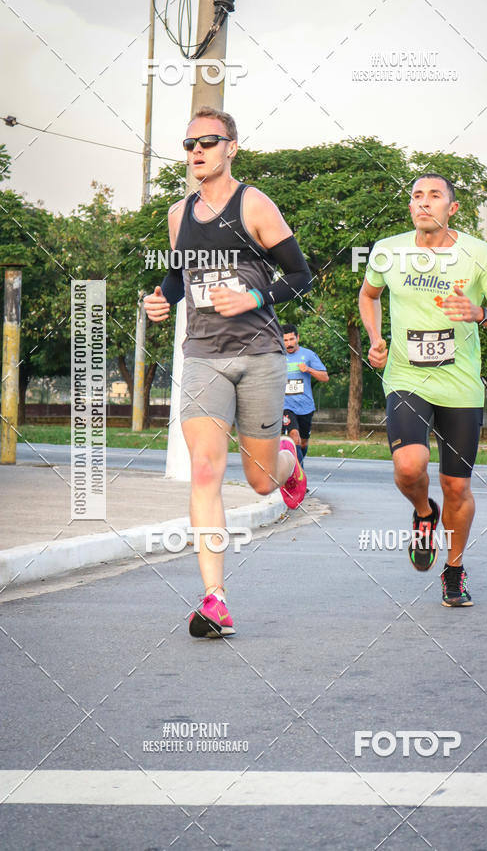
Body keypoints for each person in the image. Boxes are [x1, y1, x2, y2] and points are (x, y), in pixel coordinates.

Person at [144, 106, 311, 638]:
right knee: (206, 470)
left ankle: (288, 460)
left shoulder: (253, 204)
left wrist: (254, 298)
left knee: (261, 482)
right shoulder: (179, 213)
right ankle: (214, 599)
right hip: (203, 357)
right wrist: (161, 299)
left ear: (231, 148)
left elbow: (301, 274)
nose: (196, 151)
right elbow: (178, 279)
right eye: (189, 144)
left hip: (260, 354)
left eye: (208, 142)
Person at [358, 173, 487, 607]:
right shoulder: (388, 251)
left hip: (460, 386)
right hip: (407, 377)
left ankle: (454, 570)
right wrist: (375, 338)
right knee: (409, 467)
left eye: (434, 196)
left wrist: (481, 314)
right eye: (417, 196)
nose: (424, 202)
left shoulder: (479, 255)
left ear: (452, 208)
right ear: (410, 207)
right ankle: (424, 514)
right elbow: (369, 295)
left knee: (456, 487)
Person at [281, 325, 329, 464]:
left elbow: (325, 377)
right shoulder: (278, 357)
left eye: (291, 339)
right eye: (285, 340)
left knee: (303, 442)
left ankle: (297, 466)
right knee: (294, 436)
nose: (289, 344)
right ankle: (299, 474)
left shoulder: (308, 355)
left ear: (298, 338)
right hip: (286, 406)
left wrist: (308, 369)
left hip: (305, 406)